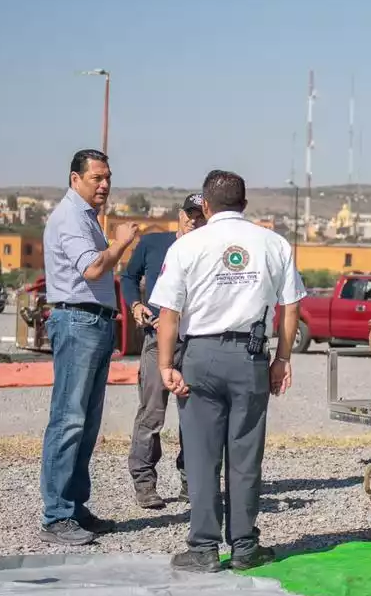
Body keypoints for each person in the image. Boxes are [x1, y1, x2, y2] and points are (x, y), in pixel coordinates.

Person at [150, 170, 305, 573]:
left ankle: (202, 548)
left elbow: (169, 313)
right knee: (245, 455)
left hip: (200, 355)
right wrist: (282, 359)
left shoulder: (187, 246)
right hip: (250, 357)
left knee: (201, 456)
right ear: (245, 204)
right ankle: (244, 546)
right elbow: (290, 308)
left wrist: (166, 364)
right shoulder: (274, 244)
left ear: (204, 204)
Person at [38, 149, 139, 546]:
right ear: (74, 178)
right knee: (69, 420)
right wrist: (122, 243)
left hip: (94, 322)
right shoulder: (69, 218)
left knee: (87, 422)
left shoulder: (86, 219)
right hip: (78, 321)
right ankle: (56, 515)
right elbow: (94, 268)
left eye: (108, 177)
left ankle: (74, 507)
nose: (104, 184)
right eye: (96, 177)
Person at [120, 194, 207, 509]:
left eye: (200, 215)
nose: (193, 220)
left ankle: (190, 482)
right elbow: (128, 277)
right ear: (180, 214)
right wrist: (136, 304)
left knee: (195, 415)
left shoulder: (209, 248)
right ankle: (144, 482)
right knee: (152, 411)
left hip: (197, 340)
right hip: (158, 338)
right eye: (189, 214)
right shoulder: (155, 244)